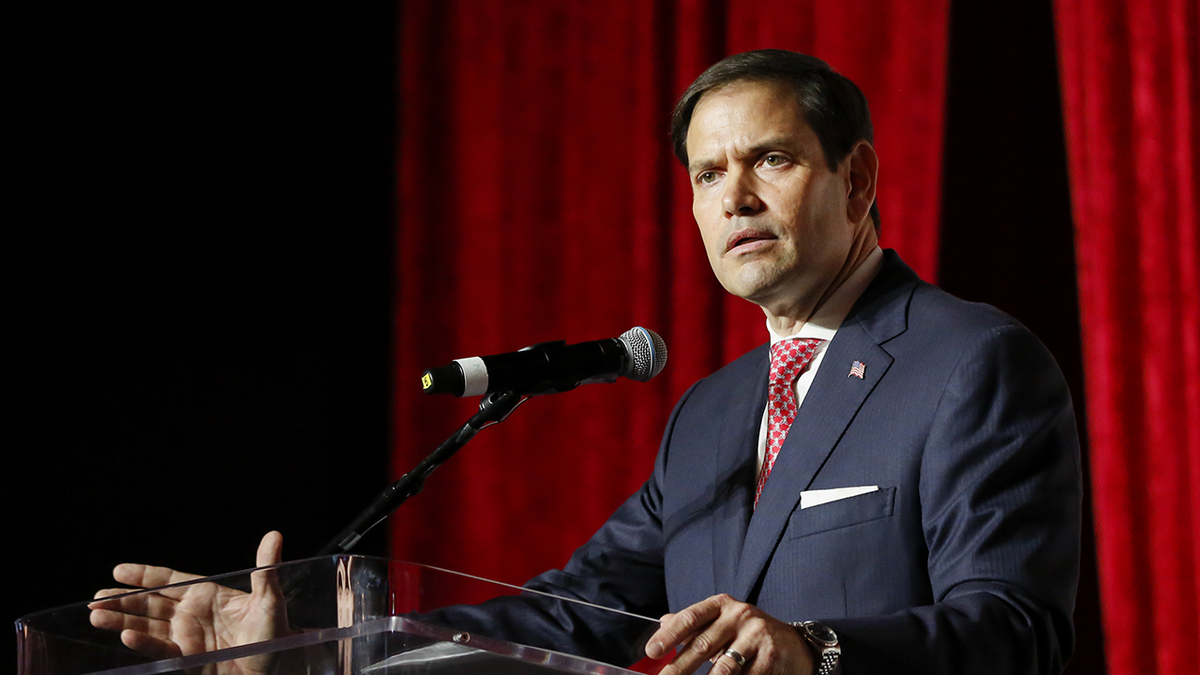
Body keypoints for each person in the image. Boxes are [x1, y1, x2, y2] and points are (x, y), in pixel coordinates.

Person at [93, 50, 1082, 675]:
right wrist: (321, 643)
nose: (733, 196)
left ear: (855, 178)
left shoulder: (971, 363)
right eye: (707, 173)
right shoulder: (712, 412)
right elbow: (573, 618)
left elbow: (1014, 631)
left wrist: (814, 651)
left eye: (769, 160)